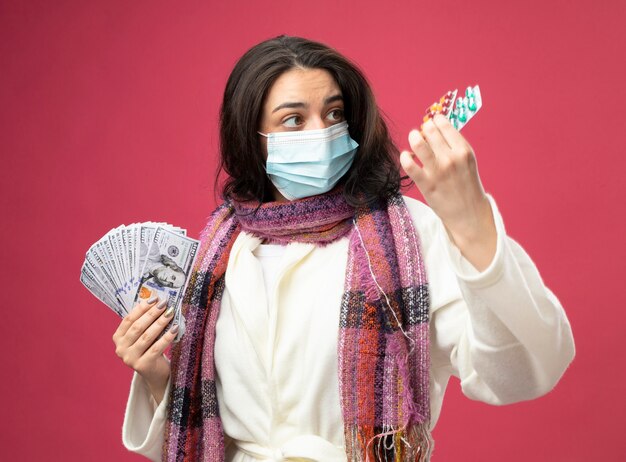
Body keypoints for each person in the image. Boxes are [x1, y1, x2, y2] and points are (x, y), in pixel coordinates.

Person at [112, 35, 575, 462]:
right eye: (294, 120)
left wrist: (472, 225)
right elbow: (198, 437)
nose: (323, 131)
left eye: (334, 114)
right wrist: (157, 377)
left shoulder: (406, 238)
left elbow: (525, 370)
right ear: (250, 137)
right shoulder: (221, 248)